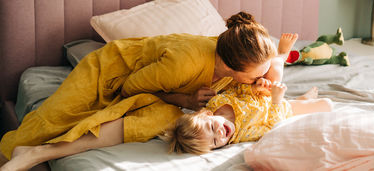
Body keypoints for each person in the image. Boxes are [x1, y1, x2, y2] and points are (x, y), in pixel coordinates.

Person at [0, 11, 293, 171]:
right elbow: (131, 87)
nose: (261, 76)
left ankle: (39, 154)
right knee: (52, 120)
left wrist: (279, 58)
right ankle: (27, 150)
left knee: (162, 119)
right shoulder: (185, 63)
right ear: (233, 68)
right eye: (256, 73)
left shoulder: (233, 63)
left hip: (155, 90)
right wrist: (187, 99)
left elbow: (273, 70)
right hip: (113, 72)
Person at [163, 82, 333, 154]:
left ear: (207, 114)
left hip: (265, 96)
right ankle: (302, 101)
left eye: (213, 128)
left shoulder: (217, 102)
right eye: (215, 142)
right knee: (327, 105)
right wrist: (276, 100)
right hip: (282, 109)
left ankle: (301, 98)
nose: (221, 134)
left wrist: (254, 87)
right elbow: (272, 126)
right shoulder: (242, 134)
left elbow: (238, 90)